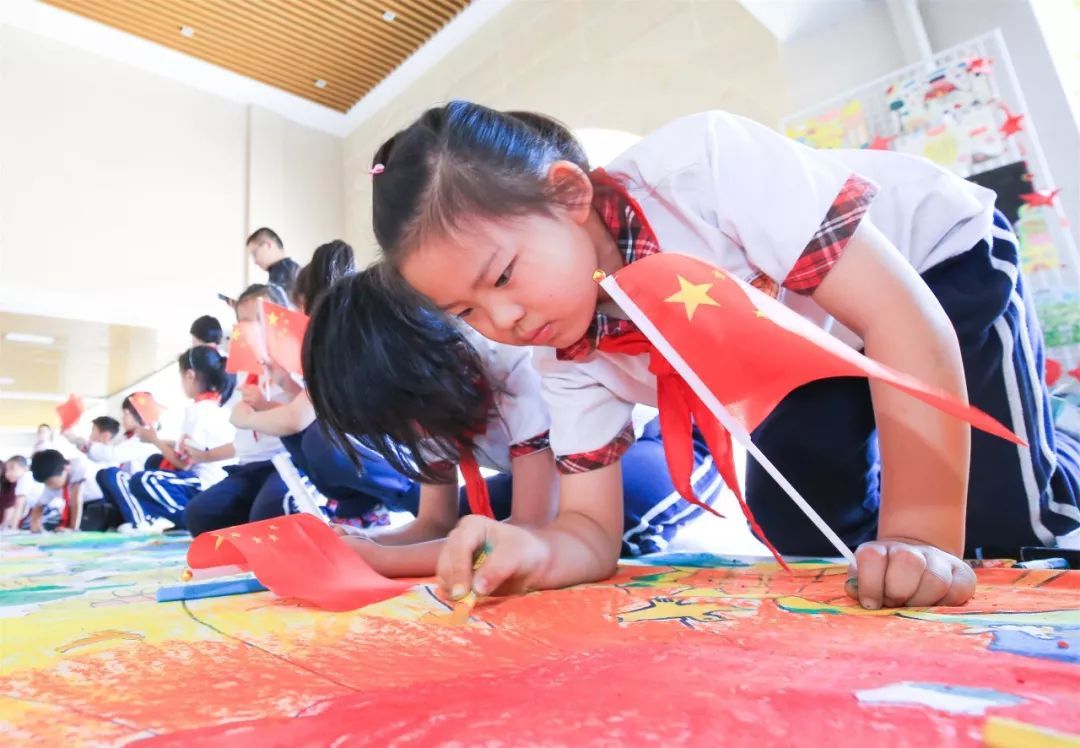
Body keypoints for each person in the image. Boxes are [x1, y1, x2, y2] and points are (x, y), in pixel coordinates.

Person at [365, 100, 1080, 609]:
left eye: (501, 277)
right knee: (800, 527)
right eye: (465, 313)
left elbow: (902, 319)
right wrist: (536, 548)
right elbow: (590, 531)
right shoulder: (568, 354)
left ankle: (1058, 439)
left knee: (1004, 530)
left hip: (932, 272)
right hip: (804, 345)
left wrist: (920, 538)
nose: (503, 322)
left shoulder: (705, 168)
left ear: (568, 193)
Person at [303, 265, 722, 576]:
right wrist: (366, 544)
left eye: (400, 420)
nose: (409, 433)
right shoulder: (419, 400)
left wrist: (384, 560)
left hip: (664, 445)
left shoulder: (516, 368)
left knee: (603, 511)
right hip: (562, 473)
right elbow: (435, 522)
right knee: (474, 521)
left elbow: (532, 525)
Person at [123, 347, 236, 530]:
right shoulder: (216, 408)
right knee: (154, 462)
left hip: (205, 482)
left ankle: (191, 521)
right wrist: (157, 440)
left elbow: (184, 463)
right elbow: (189, 448)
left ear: (190, 375)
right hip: (218, 482)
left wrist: (154, 440)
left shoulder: (199, 411)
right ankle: (185, 518)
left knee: (144, 480)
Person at [246, 227, 299, 294]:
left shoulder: (286, 275)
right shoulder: (289, 270)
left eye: (254, 253)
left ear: (268, 245)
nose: (255, 261)